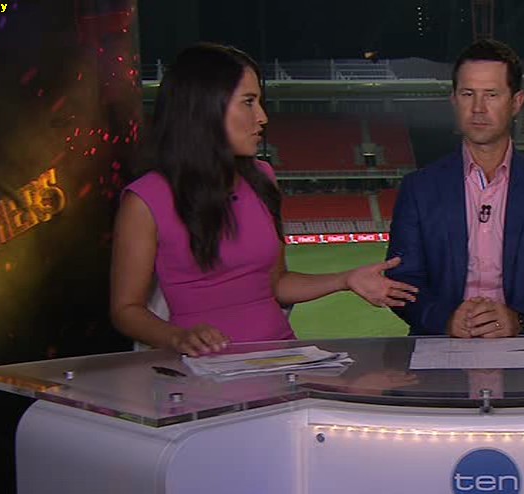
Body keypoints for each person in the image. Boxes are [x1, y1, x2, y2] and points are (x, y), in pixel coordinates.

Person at [110, 43, 417, 356]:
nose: (262, 117)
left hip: (281, 356)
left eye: (259, 102)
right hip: (202, 369)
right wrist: (177, 337)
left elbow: (276, 284)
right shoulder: (144, 201)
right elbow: (126, 309)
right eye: (248, 102)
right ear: (203, 108)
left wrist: (345, 279)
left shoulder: (262, 177)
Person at [385, 39, 524, 337]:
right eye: (468, 94)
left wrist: (519, 320)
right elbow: (402, 278)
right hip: (440, 346)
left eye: (491, 94)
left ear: (516, 102)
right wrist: (445, 320)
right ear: (454, 100)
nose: (478, 108)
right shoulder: (419, 189)